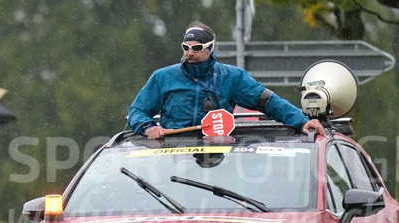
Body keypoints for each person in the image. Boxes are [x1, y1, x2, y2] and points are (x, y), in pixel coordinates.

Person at [128, 22, 325, 139]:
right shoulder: (162, 77)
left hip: (220, 160)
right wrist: (148, 127)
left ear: (210, 48)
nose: (190, 53)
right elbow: (136, 111)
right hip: (172, 157)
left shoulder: (233, 77)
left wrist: (301, 122)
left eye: (196, 48)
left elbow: (268, 102)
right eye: (185, 47)